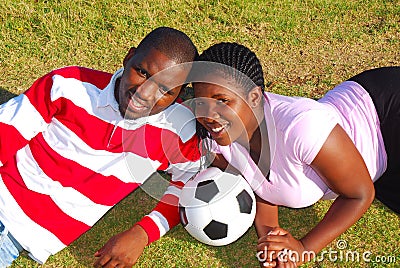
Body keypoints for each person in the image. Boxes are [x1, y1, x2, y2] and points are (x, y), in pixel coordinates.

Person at [0, 26, 202, 268]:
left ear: (180, 94)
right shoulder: (69, 85)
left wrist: (143, 233)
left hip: (12, 237)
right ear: (129, 58)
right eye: (142, 72)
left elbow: (193, 181)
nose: (145, 94)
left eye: (165, 90)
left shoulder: (177, 130)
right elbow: (6, 132)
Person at [191, 42, 399, 267]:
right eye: (202, 102)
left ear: (254, 97)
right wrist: (271, 242)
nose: (209, 115)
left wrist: (303, 248)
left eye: (223, 100)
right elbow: (261, 187)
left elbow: (360, 194)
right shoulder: (217, 139)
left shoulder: (300, 128)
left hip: (387, 113)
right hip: (378, 158)